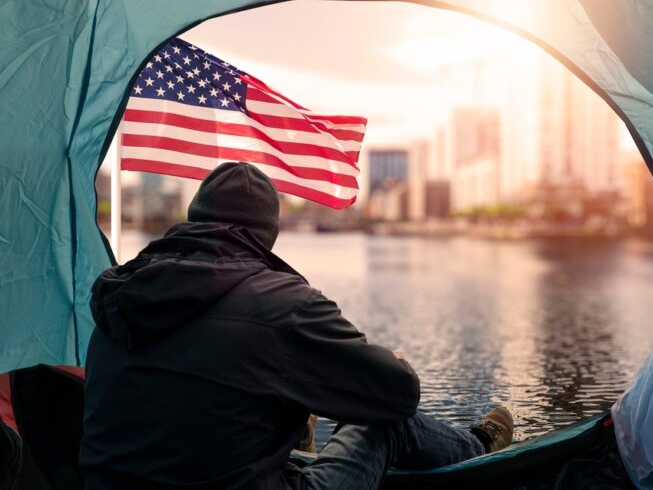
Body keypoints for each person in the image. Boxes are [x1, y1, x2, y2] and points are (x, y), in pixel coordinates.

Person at [80, 162, 514, 490]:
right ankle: (480, 449)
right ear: (267, 233)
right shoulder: (284, 303)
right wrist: (390, 364)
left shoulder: (122, 295)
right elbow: (397, 396)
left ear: (195, 219)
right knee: (385, 420)